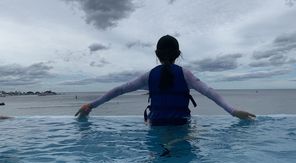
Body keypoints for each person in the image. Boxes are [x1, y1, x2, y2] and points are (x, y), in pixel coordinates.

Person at [75, 35, 255, 125]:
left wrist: (91, 105)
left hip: (156, 126)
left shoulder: (149, 76)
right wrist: (233, 111)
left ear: (156, 54)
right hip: (181, 126)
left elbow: (119, 90)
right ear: (178, 54)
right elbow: (210, 92)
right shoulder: (186, 75)